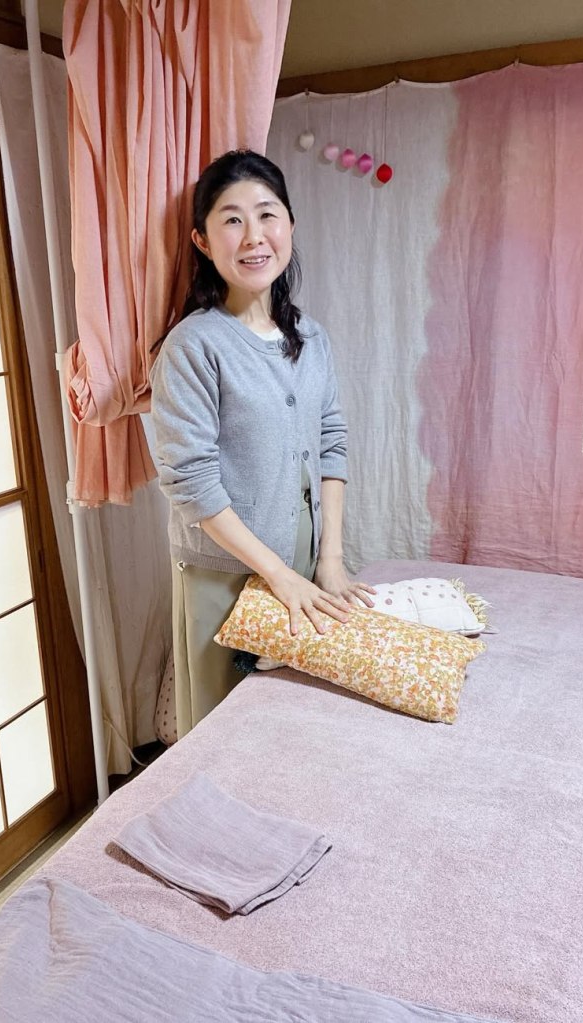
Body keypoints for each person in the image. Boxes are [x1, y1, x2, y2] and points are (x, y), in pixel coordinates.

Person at [150, 149, 375, 739]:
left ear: (290, 226)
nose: (253, 236)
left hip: (302, 562)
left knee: (291, 729)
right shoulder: (192, 346)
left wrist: (328, 562)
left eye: (267, 214)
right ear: (202, 241)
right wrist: (277, 574)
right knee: (223, 735)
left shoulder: (311, 337)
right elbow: (191, 484)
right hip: (223, 574)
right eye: (232, 219)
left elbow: (331, 444)